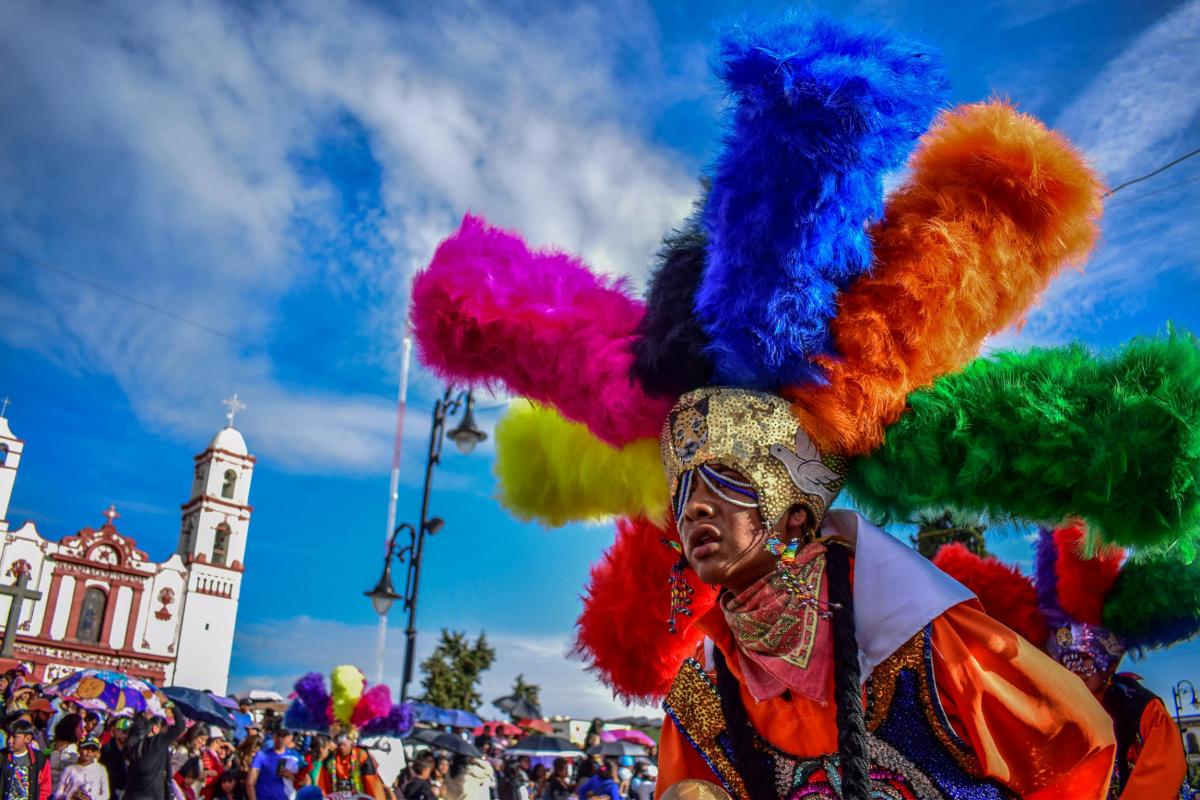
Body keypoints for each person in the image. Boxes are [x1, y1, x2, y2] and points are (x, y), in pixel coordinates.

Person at [935, 523, 1195, 799]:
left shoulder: (1141, 709)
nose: (1078, 671)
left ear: (1111, 660)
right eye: (1069, 659)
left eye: (1089, 659)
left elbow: (1158, 782)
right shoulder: (1033, 706)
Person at [122, 709, 188, 800]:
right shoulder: (156, 744)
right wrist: (171, 706)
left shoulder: (131, 746)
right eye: (165, 729)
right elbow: (180, 726)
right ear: (155, 728)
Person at [315, 735, 383, 800]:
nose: (341, 742)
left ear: (352, 740)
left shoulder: (362, 755)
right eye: (339, 738)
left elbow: (372, 785)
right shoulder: (329, 760)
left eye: (346, 738)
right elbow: (323, 789)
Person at [2, 719, 51, 800]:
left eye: (15, 737)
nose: (10, 741)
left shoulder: (39, 759)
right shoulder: (2, 758)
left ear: (27, 738)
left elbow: (45, 787)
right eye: (8, 736)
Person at [244, 730, 294, 800]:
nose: (280, 739)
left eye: (283, 736)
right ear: (274, 737)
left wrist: (292, 777)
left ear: (290, 738)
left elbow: (304, 782)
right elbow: (250, 782)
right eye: (278, 735)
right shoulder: (261, 755)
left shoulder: (294, 757)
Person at [48, 714, 83, 797]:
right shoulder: (72, 751)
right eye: (80, 728)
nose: (83, 731)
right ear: (71, 728)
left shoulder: (52, 745)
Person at [98, 721, 128, 800]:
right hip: (110, 788)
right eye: (124, 732)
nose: (126, 735)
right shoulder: (107, 748)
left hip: (126, 789)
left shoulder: (131, 748)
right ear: (116, 731)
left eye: (129, 732)